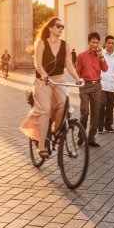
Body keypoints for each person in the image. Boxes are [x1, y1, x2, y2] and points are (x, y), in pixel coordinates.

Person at [20, 17, 83, 159]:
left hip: (58, 80)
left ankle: (56, 132)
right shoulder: (41, 43)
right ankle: (42, 146)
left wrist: (77, 78)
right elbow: (38, 63)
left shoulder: (65, 45)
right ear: (50, 28)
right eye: (58, 26)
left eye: (62, 26)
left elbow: (69, 65)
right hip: (43, 81)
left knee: (63, 104)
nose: (61, 28)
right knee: (45, 109)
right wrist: (43, 74)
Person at [75, 32, 108, 147]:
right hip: (85, 86)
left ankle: (91, 138)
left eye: (97, 42)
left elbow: (105, 69)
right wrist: (78, 80)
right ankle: (81, 135)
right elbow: (77, 71)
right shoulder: (81, 55)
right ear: (89, 42)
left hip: (96, 87)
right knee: (85, 112)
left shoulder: (100, 56)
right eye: (93, 42)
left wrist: (102, 57)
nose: (95, 44)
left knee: (95, 114)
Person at [98, 35, 114, 134]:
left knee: (110, 106)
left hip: (113, 84)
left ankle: (108, 125)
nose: (111, 45)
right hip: (102, 84)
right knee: (102, 103)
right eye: (109, 42)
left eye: (112, 43)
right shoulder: (100, 54)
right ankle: (100, 126)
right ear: (105, 43)